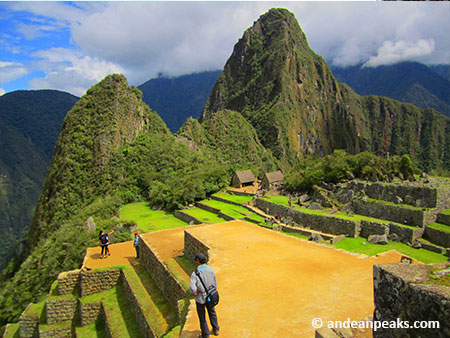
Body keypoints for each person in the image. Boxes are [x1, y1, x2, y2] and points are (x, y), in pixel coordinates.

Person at [190, 253, 220, 337]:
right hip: (210, 295)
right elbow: (215, 283)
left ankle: (205, 334)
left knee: (202, 317)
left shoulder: (195, 274)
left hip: (201, 298)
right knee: (212, 311)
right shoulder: (210, 270)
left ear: (198, 261)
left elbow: (192, 288)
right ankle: (216, 328)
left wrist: (196, 292)